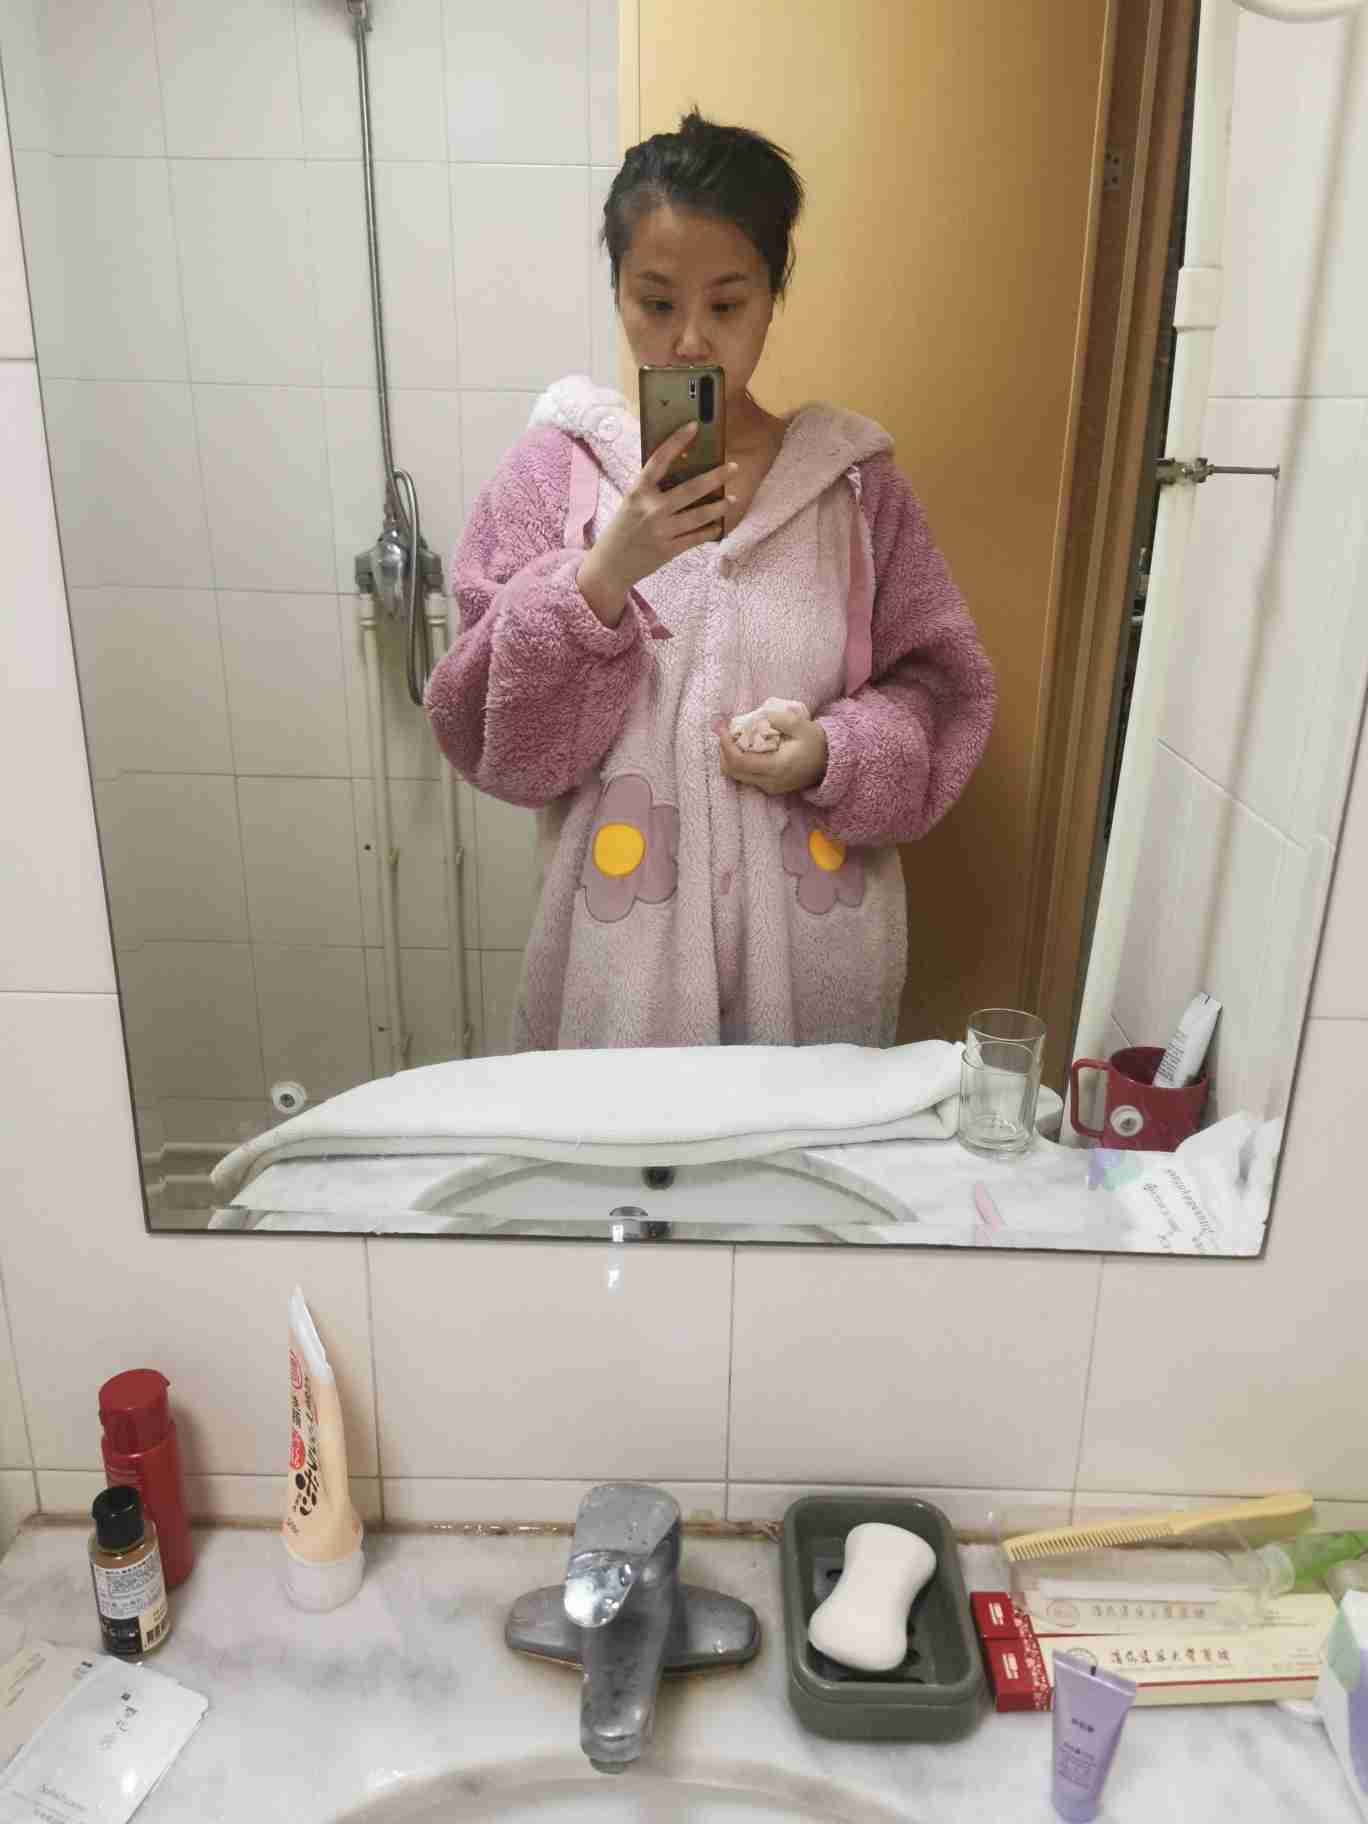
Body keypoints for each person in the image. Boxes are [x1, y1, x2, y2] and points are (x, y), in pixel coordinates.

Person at [426, 112, 996, 1051]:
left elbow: (943, 693)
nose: (690, 341)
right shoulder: (556, 473)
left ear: (774, 293)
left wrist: (831, 752)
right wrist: (602, 576)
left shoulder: (853, 487)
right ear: (617, 292)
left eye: (727, 306)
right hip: (619, 962)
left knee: (796, 1150)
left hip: (812, 961)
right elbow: (488, 733)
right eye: (655, 302)